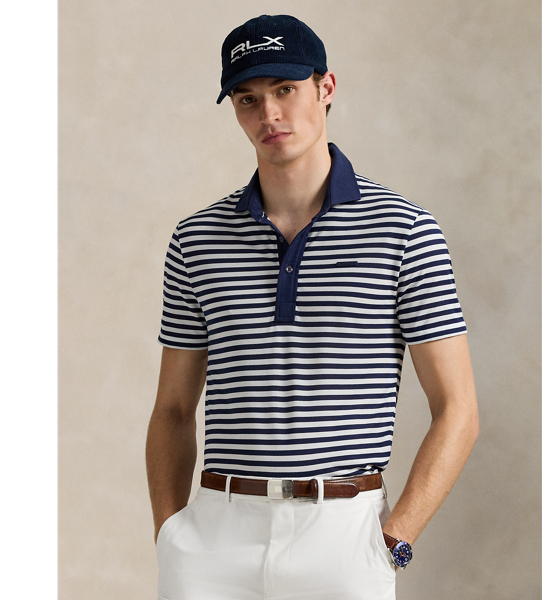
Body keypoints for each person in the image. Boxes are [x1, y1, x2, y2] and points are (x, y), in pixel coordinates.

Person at [146, 14, 478, 600]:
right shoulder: (196, 239)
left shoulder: (405, 231)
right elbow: (173, 408)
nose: (269, 114)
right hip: (214, 538)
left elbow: (458, 409)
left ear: (326, 88)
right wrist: (170, 535)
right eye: (248, 99)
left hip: (344, 537)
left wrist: (394, 539)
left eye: (285, 89)